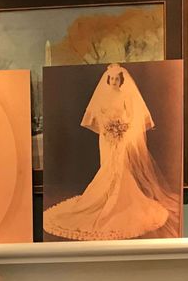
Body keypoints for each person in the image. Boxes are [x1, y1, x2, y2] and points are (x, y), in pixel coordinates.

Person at [43, 63, 177, 241]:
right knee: (106, 165)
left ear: (121, 81)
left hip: (120, 136)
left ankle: (119, 201)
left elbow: (131, 115)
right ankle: (103, 198)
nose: (113, 82)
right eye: (111, 79)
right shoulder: (102, 95)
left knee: (119, 167)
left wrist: (122, 126)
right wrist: (107, 126)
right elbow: (97, 115)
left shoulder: (125, 95)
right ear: (108, 80)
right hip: (106, 137)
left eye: (116, 79)